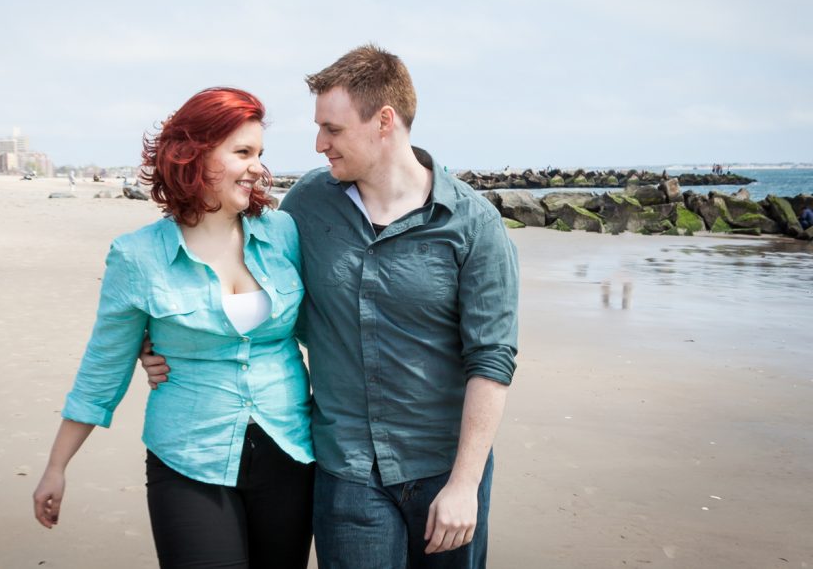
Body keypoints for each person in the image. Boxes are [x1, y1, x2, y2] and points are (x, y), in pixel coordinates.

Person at [143, 46, 519, 568]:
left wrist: (465, 484)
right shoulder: (307, 205)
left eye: (333, 130)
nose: (319, 144)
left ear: (383, 121)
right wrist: (159, 339)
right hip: (346, 475)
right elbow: (243, 288)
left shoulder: (473, 224)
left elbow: (492, 360)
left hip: (444, 472)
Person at [32, 87, 315, 569]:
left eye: (259, 154)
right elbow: (104, 366)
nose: (257, 167)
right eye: (242, 152)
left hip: (290, 449)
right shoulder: (138, 257)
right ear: (194, 155)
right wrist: (56, 467)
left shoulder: (283, 233)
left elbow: (327, 329)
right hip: (189, 455)